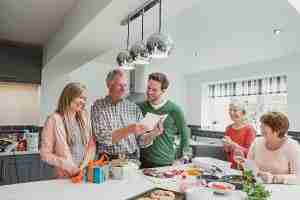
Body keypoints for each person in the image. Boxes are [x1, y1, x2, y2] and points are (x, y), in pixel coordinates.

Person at [91, 69, 158, 160]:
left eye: (125, 85)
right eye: (120, 85)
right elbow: (102, 137)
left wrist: (153, 134)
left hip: (132, 159)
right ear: (109, 85)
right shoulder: (98, 106)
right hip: (108, 160)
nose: (123, 89)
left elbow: (141, 141)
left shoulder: (133, 108)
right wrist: (129, 129)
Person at [40, 82, 96, 178]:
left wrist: (82, 167)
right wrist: (67, 165)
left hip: (83, 175)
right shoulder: (54, 120)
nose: (83, 102)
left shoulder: (84, 118)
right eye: (80, 97)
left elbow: (91, 146)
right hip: (63, 177)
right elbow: (45, 154)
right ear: (69, 96)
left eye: (84, 99)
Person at [138, 72, 190, 168]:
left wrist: (182, 156)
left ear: (163, 90)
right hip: (142, 160)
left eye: (154, 90)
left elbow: (184, 132)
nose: (149, 92)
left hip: (164, 161)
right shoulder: (141, 107)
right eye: (148, 88)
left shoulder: (174, 109)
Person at [247, 112, 300, 184]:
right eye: (261, 125)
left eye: (264, 125)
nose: (260, 128)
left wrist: (274, 178)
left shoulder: (292, 146)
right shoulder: (257, 142)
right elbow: (249, 166)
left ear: (277, 130)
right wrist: (243, 163)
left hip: (282, 190)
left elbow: (298, 177)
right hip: (258, 186)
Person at [223, 100, 256, 168]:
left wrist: (232, 144)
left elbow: (250, 153)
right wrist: (226, 147)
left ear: (243, 113)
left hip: (244, 168)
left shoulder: (249, 129)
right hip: (231, 166)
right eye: (230, 110)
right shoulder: (228, 128)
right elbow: (227, 152)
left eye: (235, 110)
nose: (231, 113)